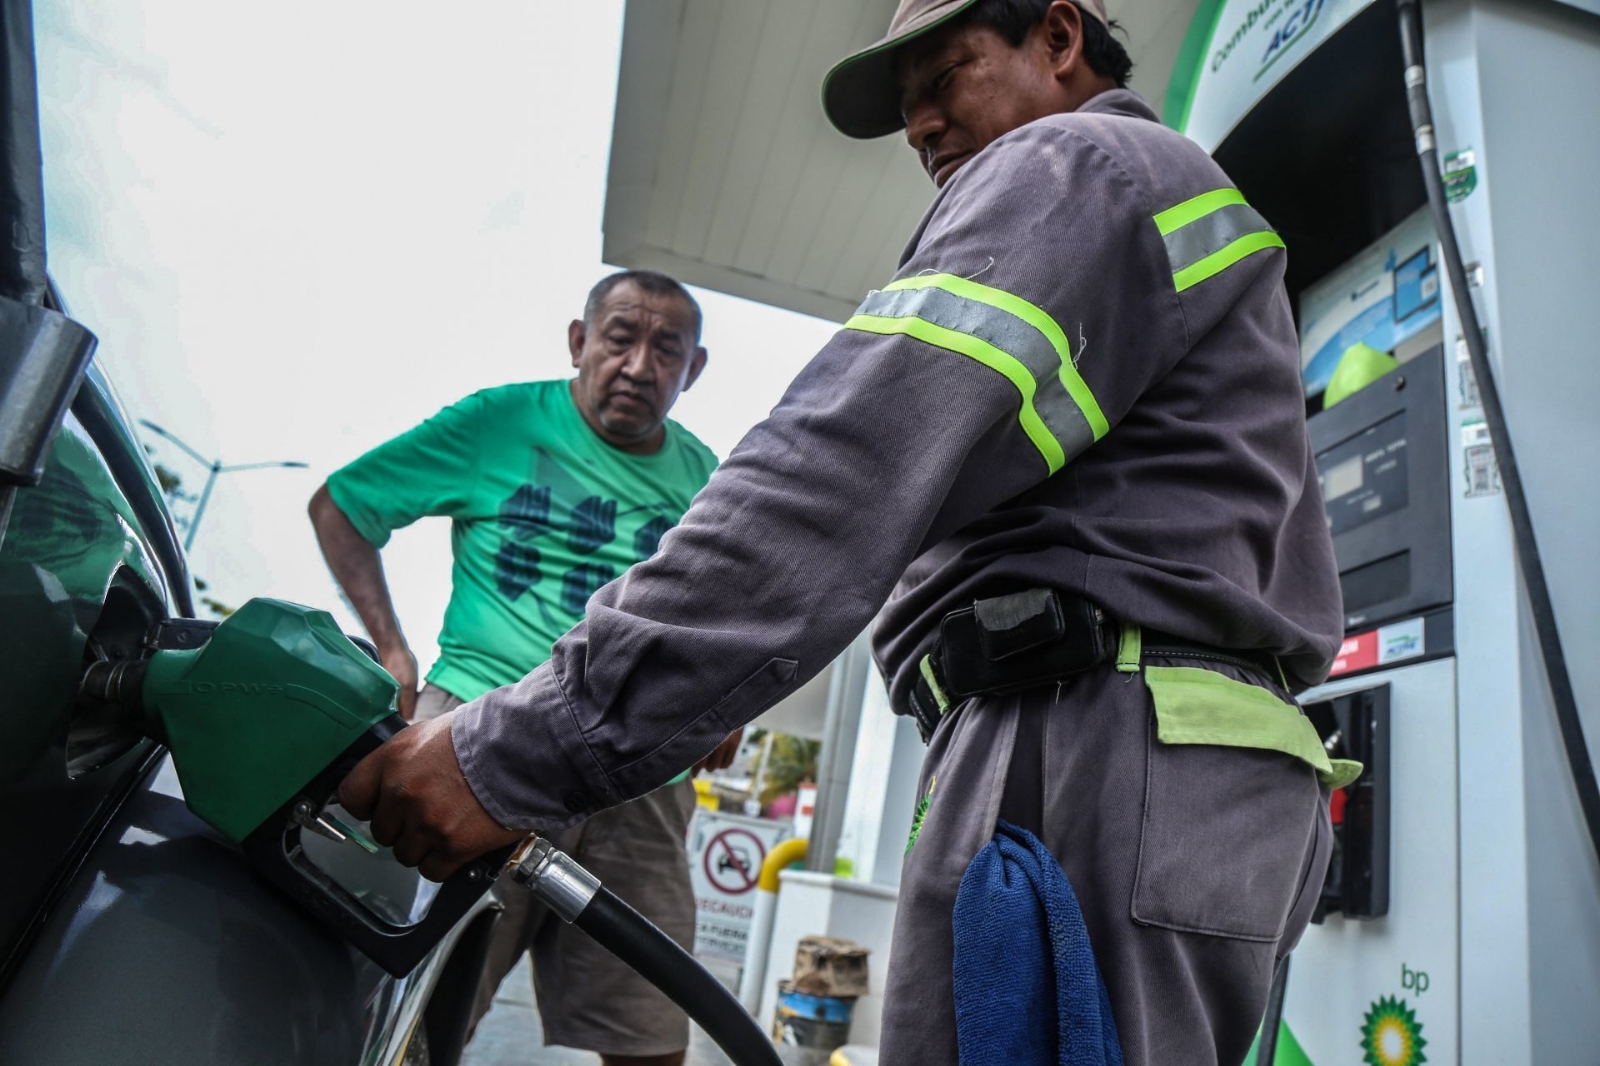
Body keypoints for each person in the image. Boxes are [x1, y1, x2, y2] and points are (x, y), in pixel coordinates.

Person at [338, 2, 1357, 1063]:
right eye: (906, 106)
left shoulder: (1077, 164)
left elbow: (835, 476)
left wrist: (521, 743)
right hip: (1185, 758)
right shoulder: (1158, 200)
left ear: (1058, 40)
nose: (920, 125)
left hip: (1094, 741)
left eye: (945, 77)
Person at [309, 269, 741, 1066]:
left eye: (665, 350)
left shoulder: (709, 477)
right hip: (473, 734)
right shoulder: (498, 422)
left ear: (694, 370)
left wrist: (727, 701)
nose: (639, 366)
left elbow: (733, 607)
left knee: (649, 1036)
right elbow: (342, 505)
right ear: (579, 342)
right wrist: (393, 648)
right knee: (399, 1015)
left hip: (638, 767)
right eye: (619, 338)